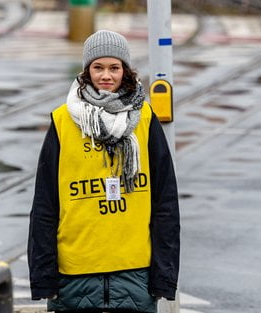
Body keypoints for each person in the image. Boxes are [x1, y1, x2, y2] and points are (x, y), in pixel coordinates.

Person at [28, 30, 180, 313]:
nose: (106, 75)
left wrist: (164, 278)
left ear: (126, 71)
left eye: (114, 67)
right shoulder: (63, 121)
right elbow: (45, 205)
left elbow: (165, 204)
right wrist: (44, 278)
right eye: (98, 67)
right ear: (87, 72)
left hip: (135, 272)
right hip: (75, 273)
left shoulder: (145, 120)